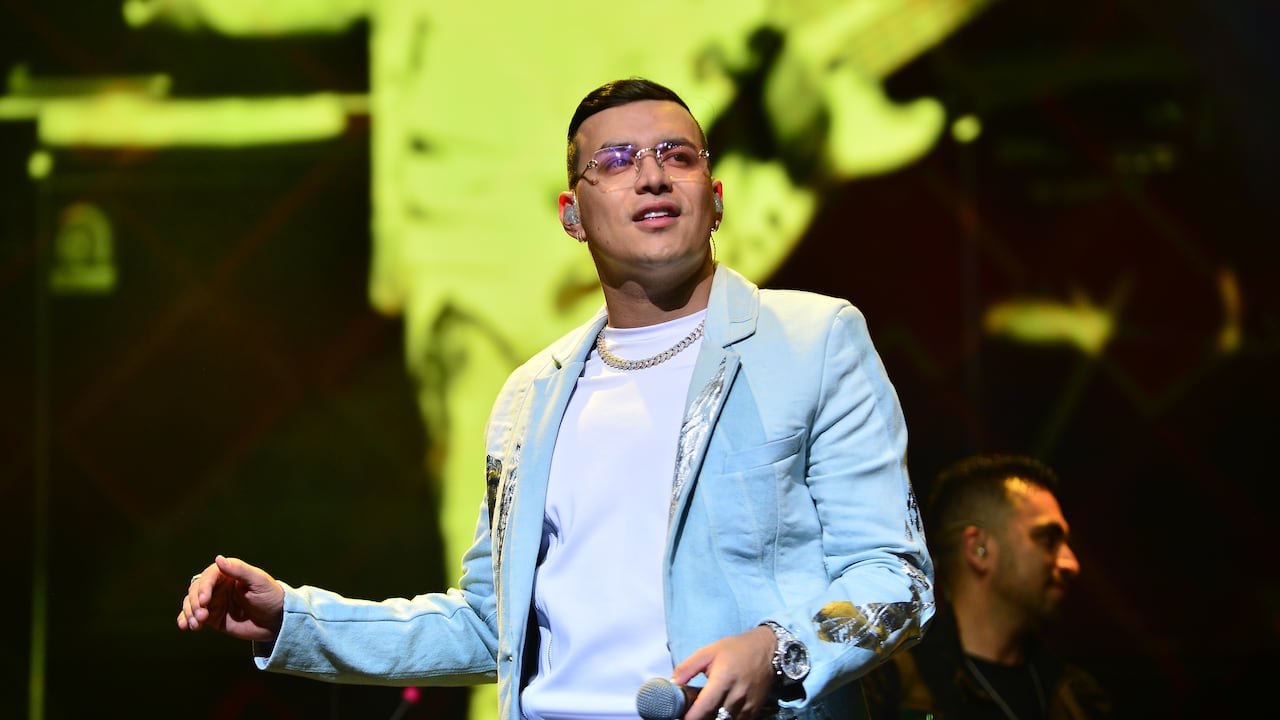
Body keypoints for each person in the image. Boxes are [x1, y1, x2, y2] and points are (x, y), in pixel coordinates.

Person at [178, 77, 934, 720]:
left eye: (678, 155)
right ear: (573, 214)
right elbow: (490, 627)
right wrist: (296, 619)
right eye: (617, 161)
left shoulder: (811, 339)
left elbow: (896, 578)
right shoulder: (530, 395)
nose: (652, 176)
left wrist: (779, 649)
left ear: (715, 197)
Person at [862, 454, 1111, 719]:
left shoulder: (1077, 698)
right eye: (1049, 539)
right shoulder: (890, 680)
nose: (1071, 564)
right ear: (978, 549)